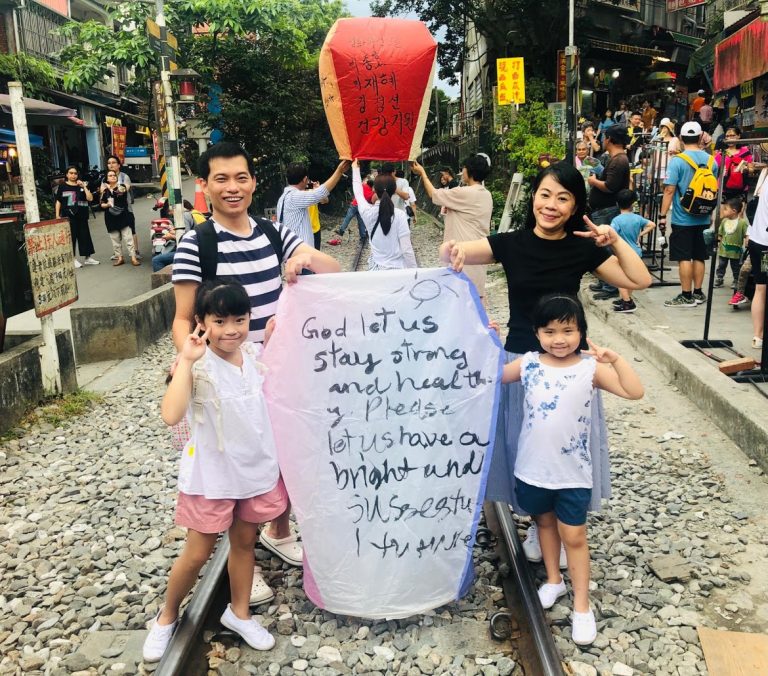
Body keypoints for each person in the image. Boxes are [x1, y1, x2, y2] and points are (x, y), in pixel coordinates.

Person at [438, 162, 651, 571]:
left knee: (566, 447)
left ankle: (552, 522)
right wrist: (454, 251)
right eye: (545, 194)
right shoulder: (510, 244)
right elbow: (459, 252)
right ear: (533, 197)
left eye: (563, 198)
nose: (551, 205)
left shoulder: (582, 248)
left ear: (574, 208)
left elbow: (638, 280)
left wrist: (613, 240)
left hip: (571, 367)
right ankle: (542, 521)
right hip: (523, 360)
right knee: (527, 447)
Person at [172, 143, 343, 587]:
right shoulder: (197, 243)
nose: (233, 188)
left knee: (282, 450)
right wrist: (190, 365)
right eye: (222, 180)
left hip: (278, 365)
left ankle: (278, 530)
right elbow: (181, 317)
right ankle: (239, 551)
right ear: (204, 186)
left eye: (241, 178)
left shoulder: (273, 232)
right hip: (226, 372)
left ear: (252, 181)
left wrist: (306, 257)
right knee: (237, 457)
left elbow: (333, 268)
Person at [142, 280, 284, 662]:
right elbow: (171, 414)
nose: (232, 329)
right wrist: (186, 359)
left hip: (251, 472)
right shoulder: (197, 364)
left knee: (243, 542)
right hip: (212, 477)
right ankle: (167, 615)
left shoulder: (252, 356)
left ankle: (239, 613)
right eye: (219, 320)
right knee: (197, 550)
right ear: (202, 322)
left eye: (240, 318)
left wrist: (272, 338)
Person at [501, 294, 643, 645]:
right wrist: (486, 337)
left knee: (575, 536)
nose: (559, 338)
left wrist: (616, 360)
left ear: (581, 331)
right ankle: (554, 580)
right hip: (533, 468)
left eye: (568, 330)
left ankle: (582, 606)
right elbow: (487, 376)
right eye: (550, 331)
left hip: (573, 472)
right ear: (536, 334)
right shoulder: (528, 364)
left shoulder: (590, 369)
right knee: (544, 522)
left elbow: (634, 391)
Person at [411, 155, 493, 301]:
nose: (462, 171)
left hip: (462, 257)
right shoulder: (486, 194)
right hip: (479, 255)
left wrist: (423, 173)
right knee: (477, 301)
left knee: (460, 301)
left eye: (464, 168)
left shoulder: (464, 193)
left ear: (470, 171)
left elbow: (434, 194)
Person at [660, 121, 719, 308]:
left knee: (684, 257)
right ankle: (699, 293)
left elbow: (669, 190)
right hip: (703, 216)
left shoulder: (677, 161)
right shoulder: (712, 161)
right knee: (699, 256)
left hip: (682, 218)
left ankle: (686, 296)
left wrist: (662, 215)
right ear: (701, 136)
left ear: (681, 138)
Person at [351, 159, 416, 270]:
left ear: (374, 190)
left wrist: (355, 169)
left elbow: (358, 192)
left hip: (377, 272)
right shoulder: (400, 215)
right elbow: (407, 249)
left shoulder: (367, 212)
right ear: (393, 189)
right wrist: (415, 272)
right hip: (399, 271)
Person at [275, 161, 349, 247]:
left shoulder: (283, 197)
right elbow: (321, 192)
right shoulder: (294, 196)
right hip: (300, 251)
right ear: (305, 179)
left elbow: (324, 199)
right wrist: (339, 171)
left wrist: (315, 187)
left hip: (296, 243)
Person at [609, 190, 656, 313]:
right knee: (631, 278)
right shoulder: (637, 218)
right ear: (632, 204)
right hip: (636, 251)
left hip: (623, 254)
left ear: (617, 204)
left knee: (619, 278)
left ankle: (627, 303)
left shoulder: (617, 220)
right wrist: (640, 234)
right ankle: (626, 297)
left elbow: (612, 233)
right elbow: (652, 224)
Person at [54, 165, 99, 268]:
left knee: (85, 236)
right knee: (72, 238)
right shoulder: (62, 186)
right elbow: (58, 201)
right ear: (67, 174)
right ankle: (73, 259)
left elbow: (90, 198)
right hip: (69, 215)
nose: (73, 175)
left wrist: (84, 187)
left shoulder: (82, 185)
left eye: (75, 173)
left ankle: (88, 258)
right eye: (71, 173)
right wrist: (57, 215)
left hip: (82, 214)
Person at [588, 125, 631, 226]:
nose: (603, 141)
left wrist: (593, 181)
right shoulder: (618, 158)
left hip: (607, 212)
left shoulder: (618, 160)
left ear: (609, 139)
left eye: (604, 137)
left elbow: (609, 186)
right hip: (606, 211)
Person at [746, 164, 768, 349]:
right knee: (762, 288)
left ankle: (757, 336)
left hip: (758, 240)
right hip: (765, 244)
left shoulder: (765, 176)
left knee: (761, 289)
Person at [104, 155, 140, 259]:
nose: (111, 165)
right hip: (111, 210)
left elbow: (124, 189)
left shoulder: (124, 177)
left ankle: (135, 252)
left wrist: (112, 187)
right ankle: (118, 254)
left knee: (130, 231)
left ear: (119, 165)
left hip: (125, 208)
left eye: (113, 162)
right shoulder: (105, 178)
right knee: (115, 232)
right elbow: (102, 192)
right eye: (109, 163)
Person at [715, 197, 748, 289]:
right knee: (721, 265)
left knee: (736, 267)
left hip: (736, 252)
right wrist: (718, 241)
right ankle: (719, 278)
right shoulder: (724, 221)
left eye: (726, 209)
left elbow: (746, 235)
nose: (723, 211)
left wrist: (746, 243)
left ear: (733, 211)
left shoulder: (742, 223)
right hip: (723, 250)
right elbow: (720, 233)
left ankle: (736, 280)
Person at [714, 126, 753, 202]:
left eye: (732, 135)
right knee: (723, 211)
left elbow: (751, 170)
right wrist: (721, 171)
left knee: (739, 212)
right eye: (727, 136)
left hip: (742, 188)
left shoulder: (745, 152)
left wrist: (746, 169)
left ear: (738, 136)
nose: (730, 138)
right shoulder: (721, 154)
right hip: (724, 189)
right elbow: (713, 171)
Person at [335, 174, 373, 240]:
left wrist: (347, 177)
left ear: (367, 183)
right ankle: (363, 236)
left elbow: (356, 182)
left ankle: (341, 231)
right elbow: (370, 202)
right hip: (362, 207)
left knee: (348, 218)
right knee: (361, 222)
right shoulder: (372, 193)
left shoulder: (363, 186)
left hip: (354, 205)